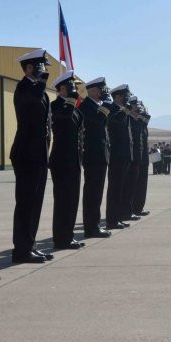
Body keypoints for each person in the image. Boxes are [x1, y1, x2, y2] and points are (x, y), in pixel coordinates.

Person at [10, 49, 53, 264]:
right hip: (26, 153)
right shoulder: (24, 88)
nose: (44, 72)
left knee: (35, 203)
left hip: (39, 153)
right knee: (26, 203)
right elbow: (31, 104)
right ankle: (21, 250)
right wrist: (42, 83)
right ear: (28, 68)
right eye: (39, 67)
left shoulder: (40, 91)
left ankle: (30, 245)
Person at [48, 70, 86, 250]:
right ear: (61, 88)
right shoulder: (55, 106)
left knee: (72, 200)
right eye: (71, 86)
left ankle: (68, 236)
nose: (74, 89)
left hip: (74, 160)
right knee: (63, 201)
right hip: (61, 159)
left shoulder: (75, 108)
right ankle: (61, 239)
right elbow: (63, 118)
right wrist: (71, 101)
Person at [79, 77, 112, 239]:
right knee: (92, 193)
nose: (103, 92)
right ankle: (91, 227)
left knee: (97, 193)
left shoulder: (97, 106)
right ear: (91, 90)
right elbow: (98, 121)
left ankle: (95, 225)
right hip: (92, 156)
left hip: (100, 155)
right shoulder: (86, 106)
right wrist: (106, 104)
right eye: (101, 89)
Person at [106, 84, 133, 230]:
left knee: (121, 189)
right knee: (115, 189)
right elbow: (112, 121)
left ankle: (117, 218)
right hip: (116, 155)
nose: (126, 99)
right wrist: (125, 111)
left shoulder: (122, 111)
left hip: (123, 155)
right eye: (124, 96)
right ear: (117, 96)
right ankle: (112, 220)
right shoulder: (111, 108)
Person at [123, 96, 142, 221]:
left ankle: (131, 210)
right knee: (127, 186)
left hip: (135, 156)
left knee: (133, 186)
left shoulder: (134, 119)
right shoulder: (128, 118)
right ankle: (126, 211)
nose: (137, 108)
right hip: (129, 156)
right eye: (135, 105)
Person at [132, 101, 151, 216]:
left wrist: (143, 117)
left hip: (143, 157)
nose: (140, 111)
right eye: (137, 109)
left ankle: (139, 207)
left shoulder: (141, 123)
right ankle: (132, 208)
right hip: (134, 157)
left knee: (142, 185)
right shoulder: (131, 121)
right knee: (134, 185)